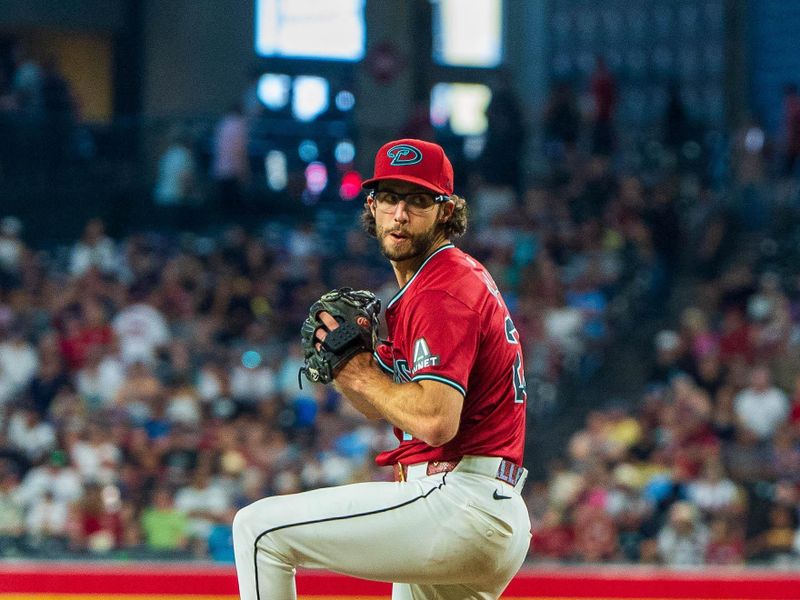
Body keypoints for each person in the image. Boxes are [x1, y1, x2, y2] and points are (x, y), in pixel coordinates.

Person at [233, 139, 530, 599]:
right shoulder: (440, 283)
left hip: (459, 500)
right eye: (390, 198)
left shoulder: (440, 289)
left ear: (447, 211)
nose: (400, 214)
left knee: (258, 531)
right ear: (371, 207)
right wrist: (348, 371)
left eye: (418, 200)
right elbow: (387, 406)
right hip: (483, 505)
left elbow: (435, 420)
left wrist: (355, 371)